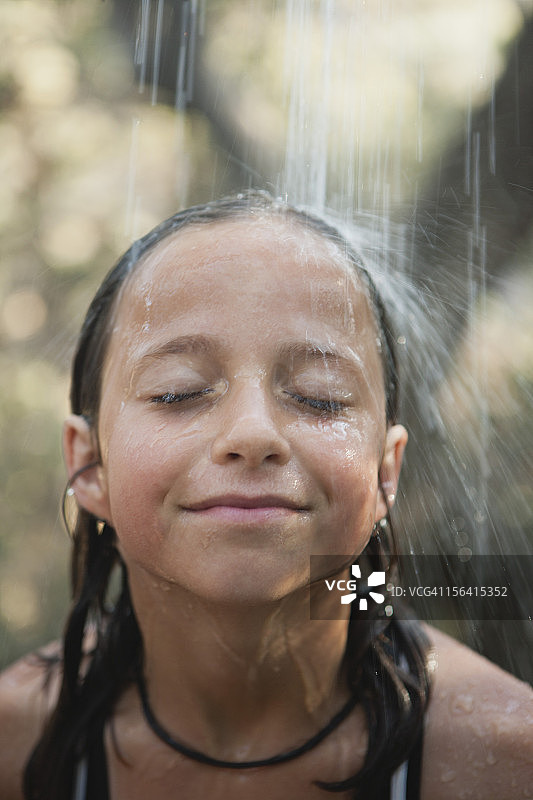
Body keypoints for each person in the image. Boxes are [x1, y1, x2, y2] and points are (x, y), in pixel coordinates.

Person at [0, 192, 531, 800]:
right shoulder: (19, 746)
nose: (252, 433)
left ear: (387, 472)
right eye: (178, 392)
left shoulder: (506, 761)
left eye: (320, 396)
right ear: (89, 464)